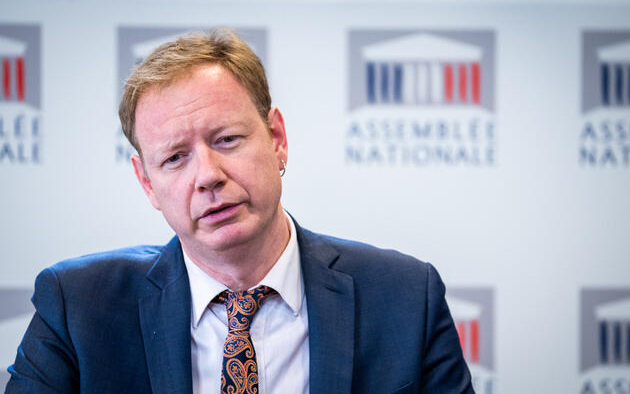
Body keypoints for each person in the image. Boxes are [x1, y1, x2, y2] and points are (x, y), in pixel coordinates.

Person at [5, 29, 473, 394]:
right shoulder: (77, 308)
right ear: (147, 182)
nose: (208, 175)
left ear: (277, 139)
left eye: (227, 140)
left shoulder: (406, 297)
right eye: (175, 158)